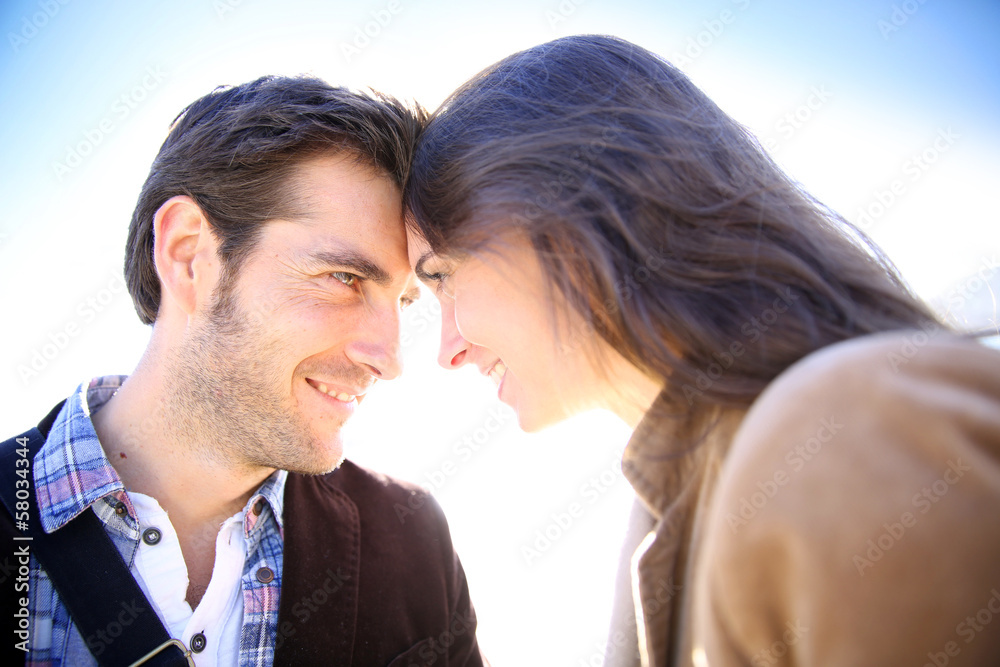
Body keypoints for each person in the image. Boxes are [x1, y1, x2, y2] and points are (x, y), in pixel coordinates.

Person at [403, 35, 1000, 666]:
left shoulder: (846, 429)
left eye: (441, 276)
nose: (447, 352)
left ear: (560, 211)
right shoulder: (672, 507)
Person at [0, 75, 484, 667]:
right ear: (189, 256)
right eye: (344, 279)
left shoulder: (413, 544)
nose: (389, 358)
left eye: (404, 302)